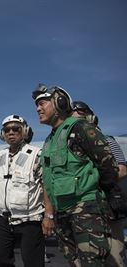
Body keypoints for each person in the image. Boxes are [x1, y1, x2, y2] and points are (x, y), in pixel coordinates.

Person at [32, 84, 119, 266]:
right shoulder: (49, 142)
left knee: (92, 262)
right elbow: (47, 180)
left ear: (60, 102)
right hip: (62, 213)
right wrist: (49, 214)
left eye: (42, 103)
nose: (38, 108)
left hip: (86, 210)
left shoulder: (81, 128)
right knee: (74, 262)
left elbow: (108, 165)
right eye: (36, 105)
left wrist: (95, 194)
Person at [0, 114, 55, 267]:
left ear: (24, 131)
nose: (10, 132)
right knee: (0, 258)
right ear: (2, 134)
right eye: (7, 130)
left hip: (30, 218)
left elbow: (47, 185)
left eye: (15, 129)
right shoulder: (0, 156)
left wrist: (49, 215)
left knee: (32, 261)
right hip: (3, 217)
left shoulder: (36, 155)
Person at [72, 100, 127, 267]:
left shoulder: (107, 140)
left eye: (80, 117)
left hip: (107, 206)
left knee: (114, 257)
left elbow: (122, 169)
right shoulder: (71, 146)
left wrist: (93, 185)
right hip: (83, 211)